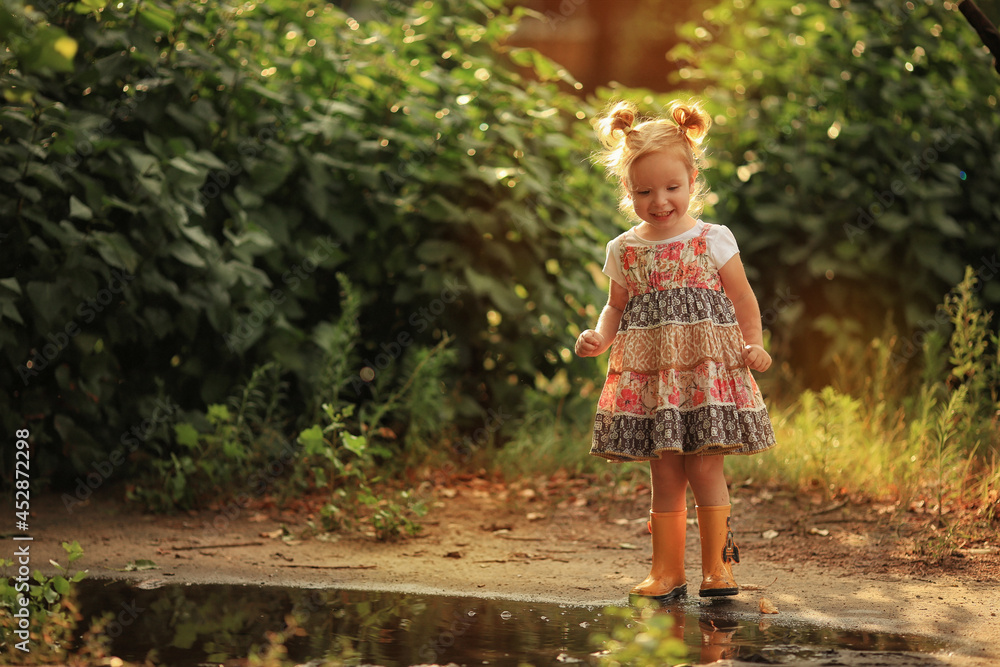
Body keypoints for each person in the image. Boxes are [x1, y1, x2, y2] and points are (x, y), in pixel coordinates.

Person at [575, 99, 776, 600]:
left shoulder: (713, 239)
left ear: (692, 180)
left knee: (705, 466)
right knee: (664, 472)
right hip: (651, 377)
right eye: (644, 191)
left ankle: (718, 570)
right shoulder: (624, 249)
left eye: (671, 188)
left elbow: (743, 299)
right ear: (628, 189)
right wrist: (599, 337)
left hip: (705, 373)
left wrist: (754, 343)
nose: (659, 201)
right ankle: (666, 572)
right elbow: (615, 307)